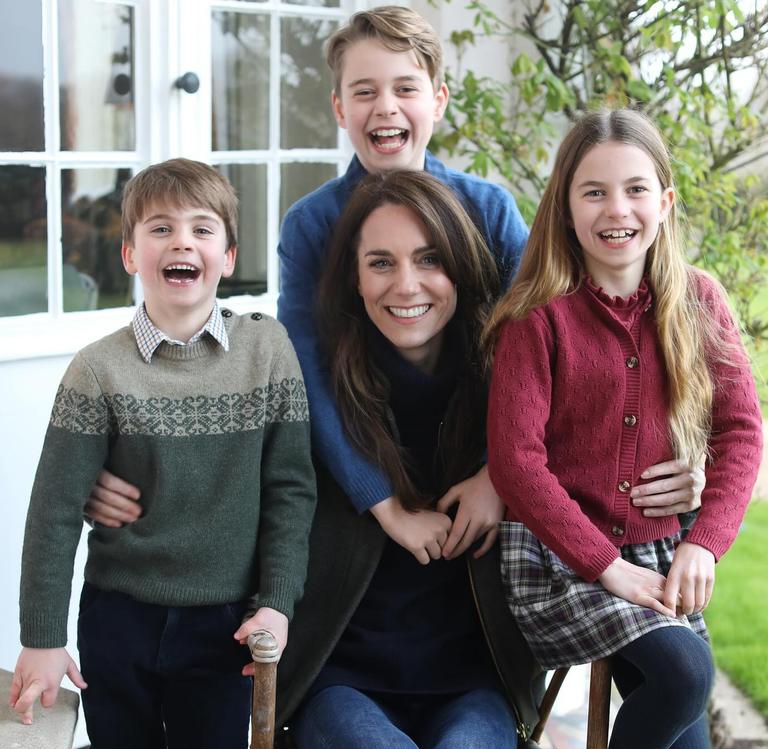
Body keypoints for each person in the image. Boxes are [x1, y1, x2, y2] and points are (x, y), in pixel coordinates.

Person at [85, 5, 704, 557]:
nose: (385, 106)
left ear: (437, 100)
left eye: (405, 87)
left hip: (480, 469)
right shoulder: (311, 226)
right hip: (363, 476)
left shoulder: (488, 210)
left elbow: (559, 349)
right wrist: (381, 501)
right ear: (339, 108)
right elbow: (304, 375)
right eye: (364, 91)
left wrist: (500, 477)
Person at [10, 159, 316, 749]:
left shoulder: (267, 349)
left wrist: (276, 603)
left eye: (203, 230)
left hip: (227, 623)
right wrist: (41, 639)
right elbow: (54, 508)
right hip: (117, 617)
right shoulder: (97, 370)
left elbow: (291, 489)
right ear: (129, 255)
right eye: (160, 229)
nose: (182, 241)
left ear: (228, 258)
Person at [485, 109, 763, 749]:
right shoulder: (537, 319)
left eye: (636, 189)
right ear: (566, 205)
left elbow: (741, 430)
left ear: (664, 202)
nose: (618, 208)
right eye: (595, 191)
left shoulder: (698, 300)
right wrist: (606, 566)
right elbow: (516, 463)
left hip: (659, 553)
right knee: (687, 673)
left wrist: (706, 542)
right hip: (558, 563)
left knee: (685, 733)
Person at [277, 169, 554, 749]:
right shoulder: (318, 398)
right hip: (342, 677)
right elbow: (224, 464)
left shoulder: (507, 396)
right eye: (380, 263)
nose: (406, 285)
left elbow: (604, 443)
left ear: (463, 268)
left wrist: (686, 477)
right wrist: (114, 479)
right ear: (352, 278)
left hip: (473, 680)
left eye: (430, 259)